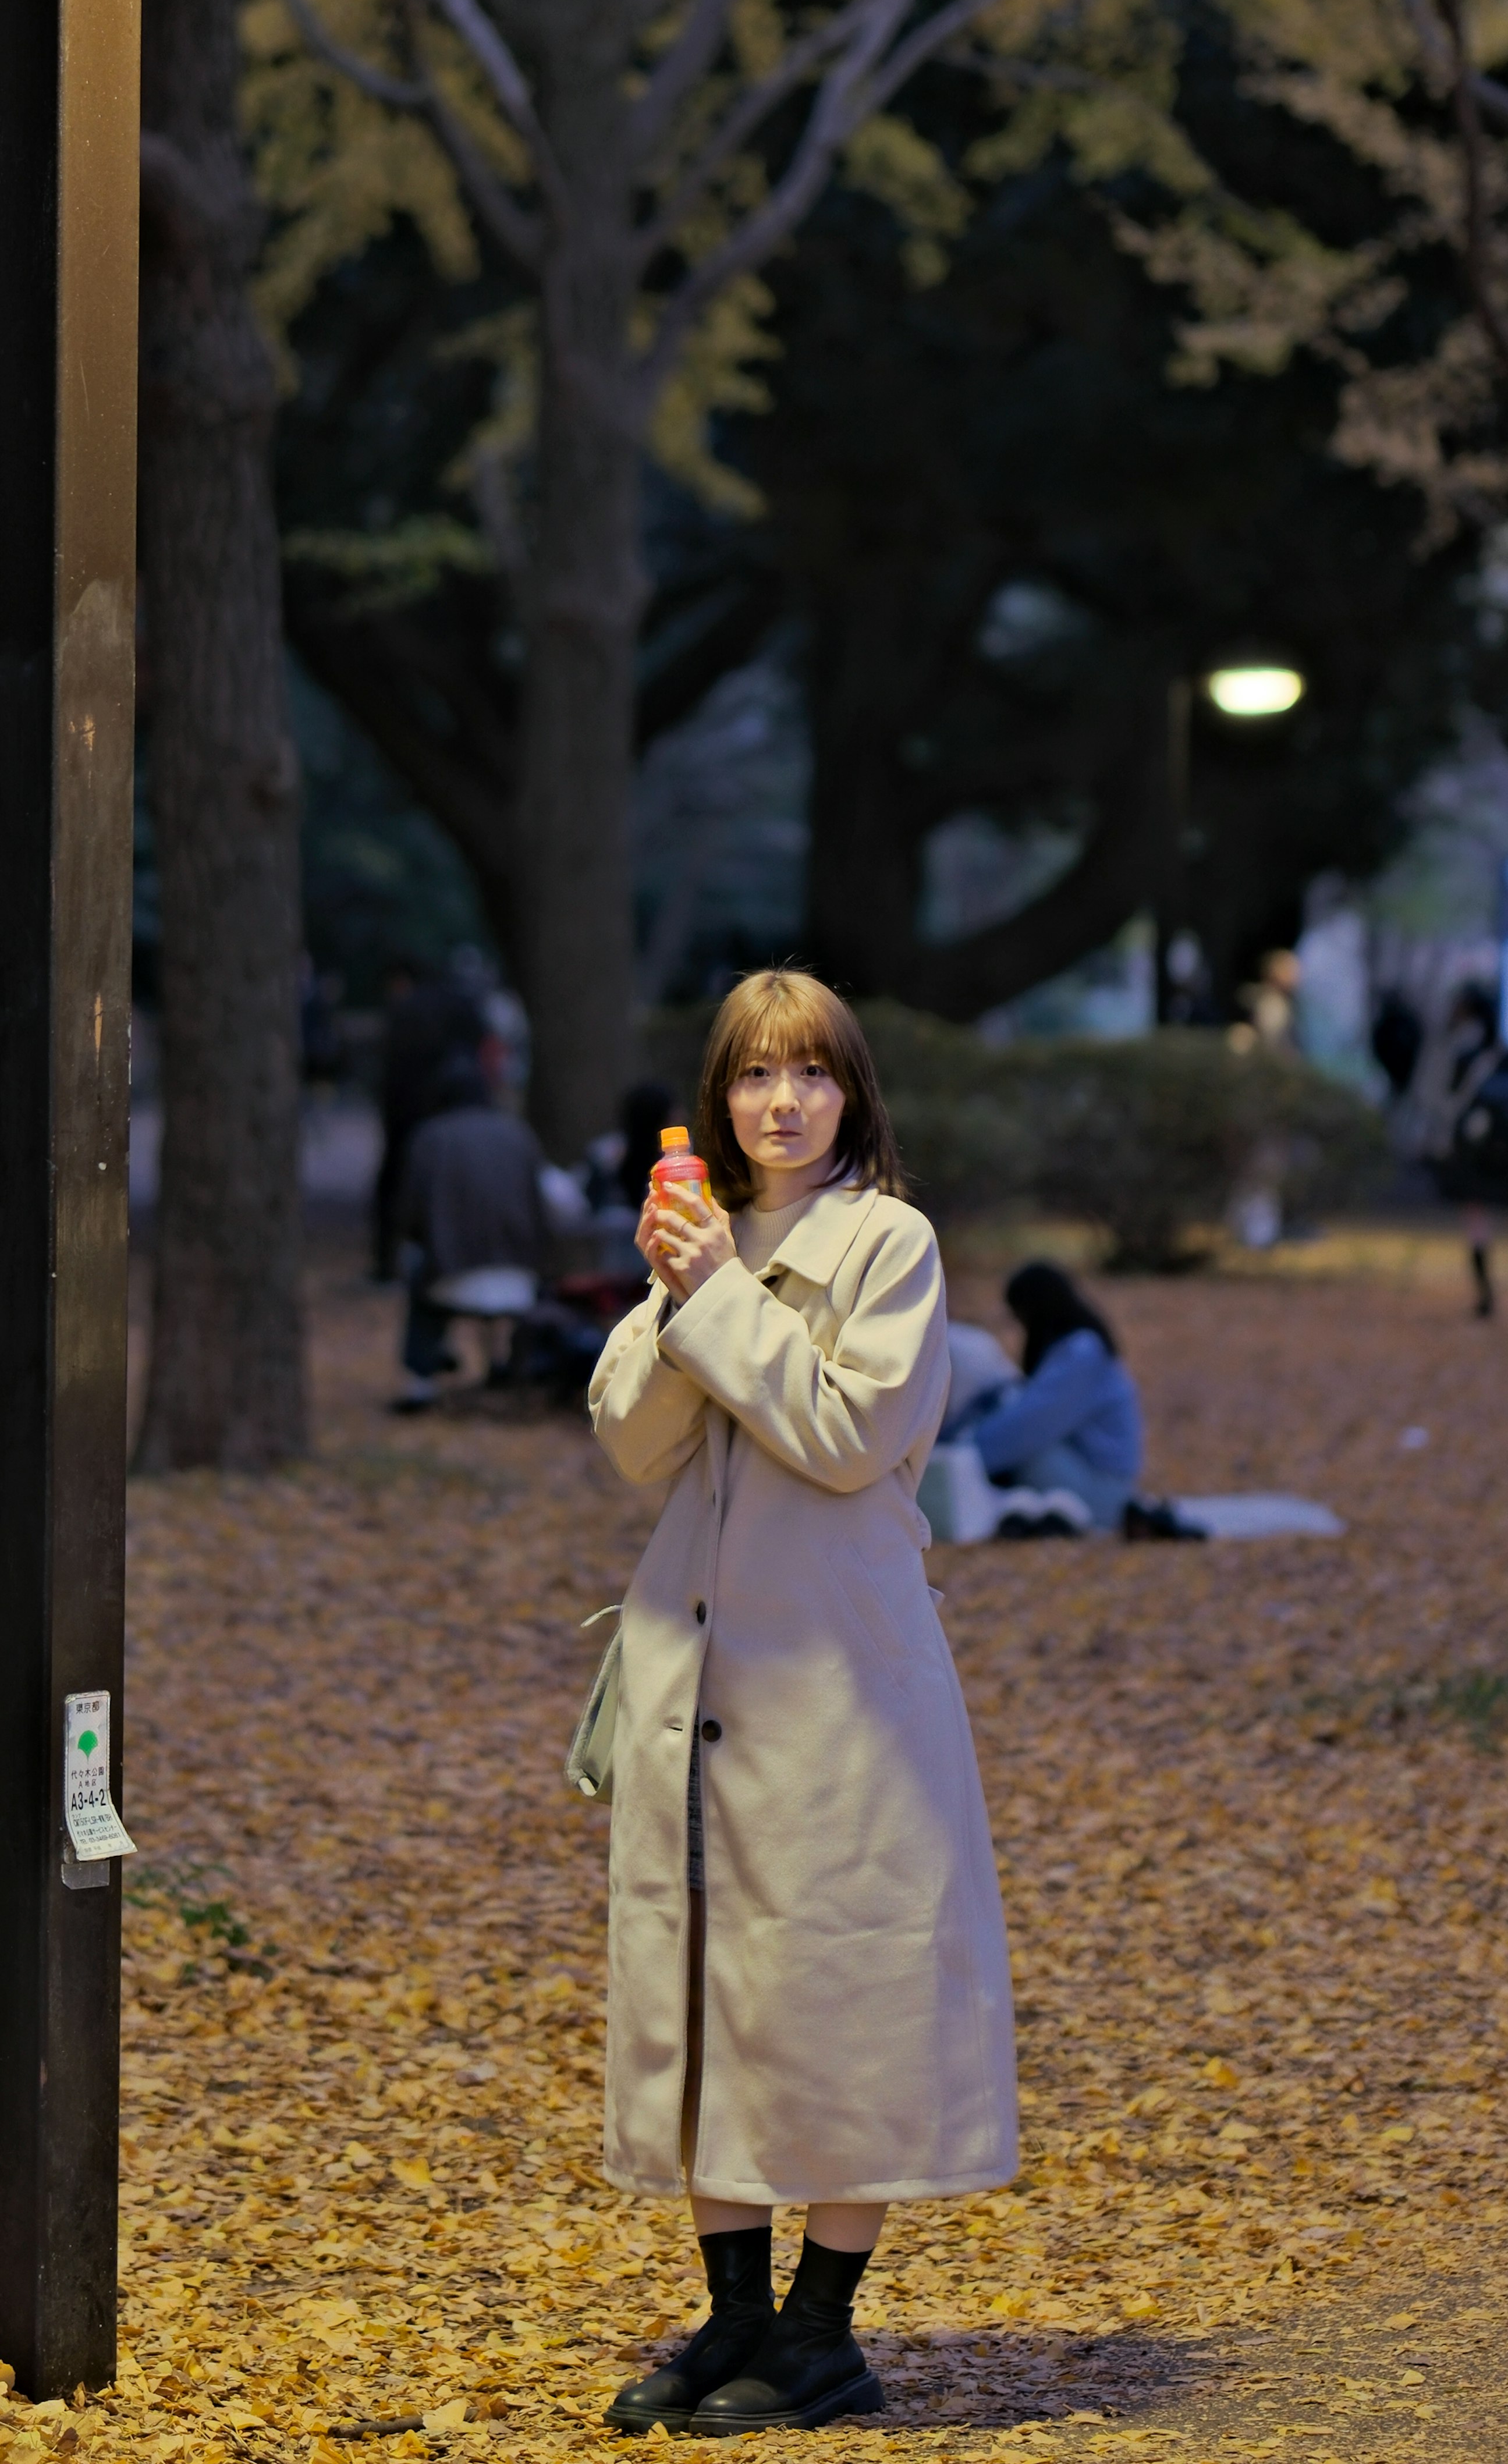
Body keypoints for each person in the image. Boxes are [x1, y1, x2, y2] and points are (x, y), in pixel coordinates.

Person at [587, 968, 1016, 2436]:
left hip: (838, 1684)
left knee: (840, 1985)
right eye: (756, 1075)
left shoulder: (886, 1240)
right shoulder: (697, 1237)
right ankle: (734, 2316)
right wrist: (673, 1291)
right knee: (706, 1985)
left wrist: (716, 1296)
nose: (782, 1101)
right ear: (719, 1097)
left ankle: (822, 2328)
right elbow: (632, 1442)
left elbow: (845, 1434)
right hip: (693, 1676)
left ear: (850, 1093)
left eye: (811, 1074)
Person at [964, 1262, 1190, 1539]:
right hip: (1095, 1479)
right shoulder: (1075, 1348)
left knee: (1022, 1450)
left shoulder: (1082, 1353)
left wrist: (964, 1456)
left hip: (1105, 1493)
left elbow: (1029, 1425)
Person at [391, 1057, 553, 1409]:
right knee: (482, 1268)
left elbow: (409, 1214)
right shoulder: (517, 1134)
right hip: (520, 1275)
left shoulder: (430, 1137)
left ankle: (422, 1380)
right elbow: (541, 1206)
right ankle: (497, 1362)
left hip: (450, 1277)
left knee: (416, 1264)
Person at [1427, 981, 1508, 1319]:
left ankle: (1486, 1300)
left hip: (1475, 1152)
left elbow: (1450, 1104)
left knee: (1477, 1220)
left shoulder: (1466, 1056)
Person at [370, 958, 484, 1281]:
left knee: (399, 1183)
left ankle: (389, 1262)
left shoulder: (408, 1009)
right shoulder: (459, 1003)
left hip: (408, 1109)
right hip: (458, 1104)